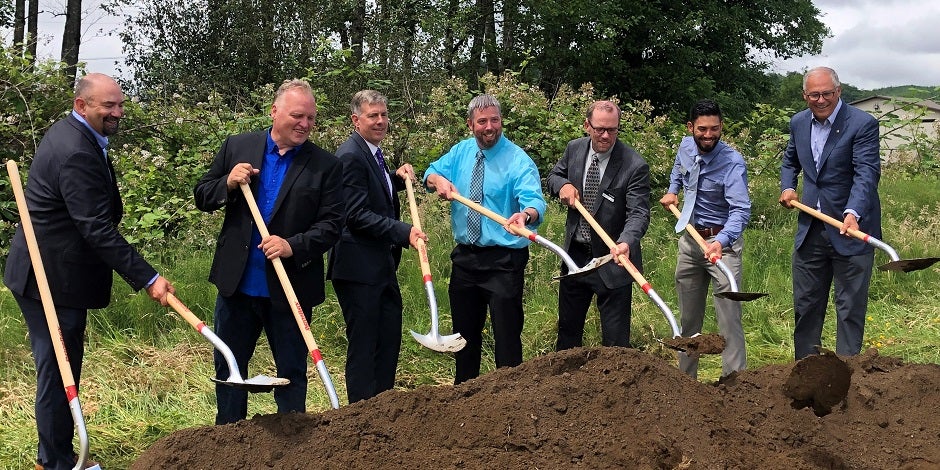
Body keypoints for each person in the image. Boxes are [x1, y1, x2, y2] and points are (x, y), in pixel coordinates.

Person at [3, 73, 175, 470]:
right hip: (48, 278)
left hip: (56, 270)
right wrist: (148, 278)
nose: (117, 112)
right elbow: (96, 227)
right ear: (82, 106)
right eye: (107, 106)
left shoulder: (75, 134)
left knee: (64, 365)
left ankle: (57, 457)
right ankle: (56, 463)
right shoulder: (75, 149)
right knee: (57, 369)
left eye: (119, 104)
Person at [193, 79, 345, 423]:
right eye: (297, 116)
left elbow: (332, 225)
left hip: (290, 291)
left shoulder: (325, 166)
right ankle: (230, 438)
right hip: (237, 288)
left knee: (291, 371)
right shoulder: (238, 146)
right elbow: (203, 194)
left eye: (310, 118)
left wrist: (293, 245)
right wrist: (227, 183)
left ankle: (292, 443)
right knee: (230, 369)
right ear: (274, 112)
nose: (304, 124)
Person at [423, 94, 546, 385]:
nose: (489, 127)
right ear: (470, 124)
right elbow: (430, 173)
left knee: (506, 337)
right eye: (482, 121)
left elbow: (534, 202)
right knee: (464, 337)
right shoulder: (461, 152)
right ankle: (466, 396)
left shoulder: (518, 160)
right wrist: (437, 181)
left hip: (504, 261)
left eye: (494, 120)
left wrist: (525, 216)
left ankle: (509, 398)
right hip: (466, 259)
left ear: (501, 121)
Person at [327, 90, 426, 403]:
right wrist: (403, 231)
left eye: (384, 114)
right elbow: (355, 214)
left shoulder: (372, 153)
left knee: (387, 338)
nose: (381, 121)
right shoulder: (350, 155)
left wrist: (396, 178)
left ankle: (383, 409)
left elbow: (372, 190)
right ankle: (359, 416)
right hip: (357, 268)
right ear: (356, 120)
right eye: (373, 115)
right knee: (365, 344)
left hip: (379, 264)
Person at [779, 66, 881, 360]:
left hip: (850, 229)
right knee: (807, 305)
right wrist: (788, 187)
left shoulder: (862, 124)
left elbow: (866, 173)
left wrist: (853, 212)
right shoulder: (798, 122)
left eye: (827, 93)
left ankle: (847, 374)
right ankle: (807, 372)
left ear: (839, 92)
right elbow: (790, 161)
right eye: (814, 94)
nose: (821, 100)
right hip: (811, 229)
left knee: (849, 308)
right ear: (805, 95)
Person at [546, 100, 651, 350]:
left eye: (612, 130)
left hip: (613, 260)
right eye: (600, 129)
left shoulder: (634, 165)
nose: (605, 135)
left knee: (615, 344)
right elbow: (553, 176)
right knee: (568, 336)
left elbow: (638, 214)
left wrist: (625, 242)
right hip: (576, 259)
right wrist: (563, 185)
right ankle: (567, 386)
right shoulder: (574, 150)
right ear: (587, 125)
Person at [659, 99, 751, 378]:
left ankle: (734, 382)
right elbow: (678, 169)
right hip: (689, 242)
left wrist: (720, 242)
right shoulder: (686, 146)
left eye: (714, 128)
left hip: (722, 247)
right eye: (702, 129)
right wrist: (673, 189)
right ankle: (686, 382)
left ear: (721, 126)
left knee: (729, 319)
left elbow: (741, 210)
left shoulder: (732, 162)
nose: (708, 135)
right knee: (689, 320)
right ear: (690, 128)